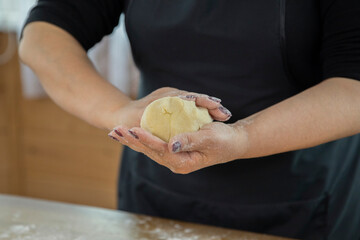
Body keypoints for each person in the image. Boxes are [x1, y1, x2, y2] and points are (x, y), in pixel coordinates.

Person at [20, 1, 360, 239]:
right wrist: (120, 112)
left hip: (301, 200)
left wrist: (243, 136)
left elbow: (353, 88)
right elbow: (43, 36)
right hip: (155, 195)